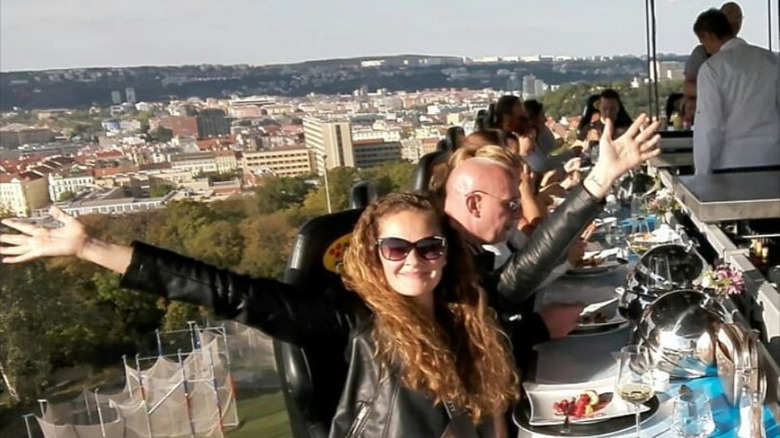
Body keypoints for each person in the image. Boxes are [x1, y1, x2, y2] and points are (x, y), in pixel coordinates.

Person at [0, 193, 519, 438]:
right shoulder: (350, 320)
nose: (413, 260)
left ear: (446, 252)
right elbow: (231, 293)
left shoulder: (464, 315)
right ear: (371, 252)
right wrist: (90, 245)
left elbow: (490, 405)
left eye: (428, 247)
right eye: (396, 248)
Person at [442, 114, 661, 368]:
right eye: (512, 204)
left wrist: (599, 180)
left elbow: (518, 273)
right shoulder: (439, 259)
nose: (517, 213)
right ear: (473, 203)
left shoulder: (463, 247)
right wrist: (539, 328)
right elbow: (461, 350)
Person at [692, 8, 780, 175]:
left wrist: (702, 172)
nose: (706, 49)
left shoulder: (712, 68)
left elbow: (709, 126)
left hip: (732, 161)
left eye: (703, 42)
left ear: (708, 35)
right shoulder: (772, 60)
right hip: (772, 157)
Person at [683, 2, 743, 124]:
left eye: (739, 17)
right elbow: (687, 87)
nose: (734, 20)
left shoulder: (747, 54)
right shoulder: (702, 53)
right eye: (729, 15)